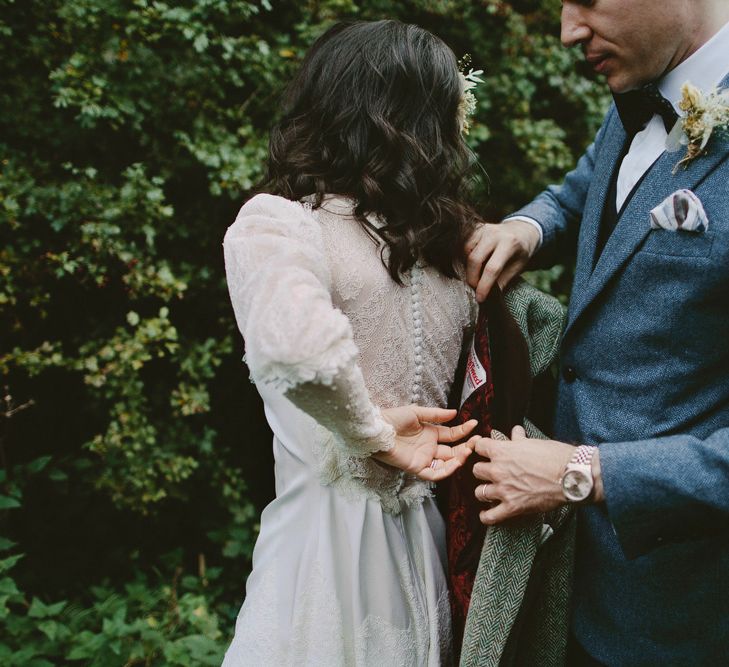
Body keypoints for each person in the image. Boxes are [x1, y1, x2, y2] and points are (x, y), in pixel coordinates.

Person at [465, 0, 729, 664]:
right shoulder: (645, 85)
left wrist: (583, 473)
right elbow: (586, 193)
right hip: (571, 586)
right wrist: (529, 225)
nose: (566, 31)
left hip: (676, 616)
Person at [221, 20, 486, 665]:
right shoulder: (284, 224)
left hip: (412, 535)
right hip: (335, 549)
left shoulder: (448, 246)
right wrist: (374, 435)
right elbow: (298, 349)